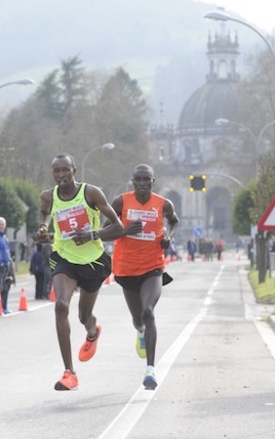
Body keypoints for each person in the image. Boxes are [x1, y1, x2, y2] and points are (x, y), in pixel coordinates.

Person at [37, 154, 124, 391]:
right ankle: (69, 373)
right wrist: (43, 229)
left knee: (84, 316)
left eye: (65, 170)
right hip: (64, 258)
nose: (61, 175)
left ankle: (93, 332)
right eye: (56, 170)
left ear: (74, 170)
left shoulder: (91, 193)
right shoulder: (48, 196)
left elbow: (118, 227)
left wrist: (93, 234)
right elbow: (44, 214)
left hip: (93, 261)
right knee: (60, 306)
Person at [110, 164, 179, 390]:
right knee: (138, 318)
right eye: (138, 180)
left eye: (146, 180)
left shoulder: (163, 204)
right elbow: (106, 228)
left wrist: (168, 236)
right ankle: (140, 331)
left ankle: (150, 369)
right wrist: (124, 230)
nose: (142, 184)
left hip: (153, 267)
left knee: (148, 311)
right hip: (126, 269)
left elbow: (174, 221)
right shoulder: (121, 202)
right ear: (132, 181)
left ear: (152, 181)